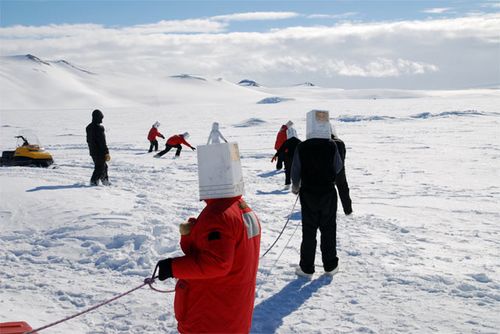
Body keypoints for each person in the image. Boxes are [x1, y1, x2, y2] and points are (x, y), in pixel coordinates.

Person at [155, 142, 261, 333]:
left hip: (210, 315)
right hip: (233, 310)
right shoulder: (241, 207)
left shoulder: (218, 216)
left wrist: (172, 267)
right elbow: (223, 249)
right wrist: (193, 233)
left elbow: (217, 263)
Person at [291, 110, 343, 278]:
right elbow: (338, 167)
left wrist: (295, 185)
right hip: (328, 192)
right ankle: (330, 265)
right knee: (329, 229)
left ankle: (306, 268)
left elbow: (295, 169)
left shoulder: (302, 146)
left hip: (308, 193)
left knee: (309, 230)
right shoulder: (331, 145)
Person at [331, 125, 353, 215]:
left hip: (329, 172)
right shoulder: (340, 142)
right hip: (341, 172)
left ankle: (331, 211)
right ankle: (348, 210)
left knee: (330, 193)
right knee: (344, 191)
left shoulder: (325, 143)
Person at [86, 109, 110, 186]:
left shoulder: (88, 127)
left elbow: (88, 140)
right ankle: (94, 182)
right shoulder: (99, 128)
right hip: (99, 152)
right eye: (101, 118)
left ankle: (104, 181)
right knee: (100, 167)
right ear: (97, 117)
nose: (102, 121)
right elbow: (102, 142)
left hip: (92, 151)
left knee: (103, 166)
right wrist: (106, 152)